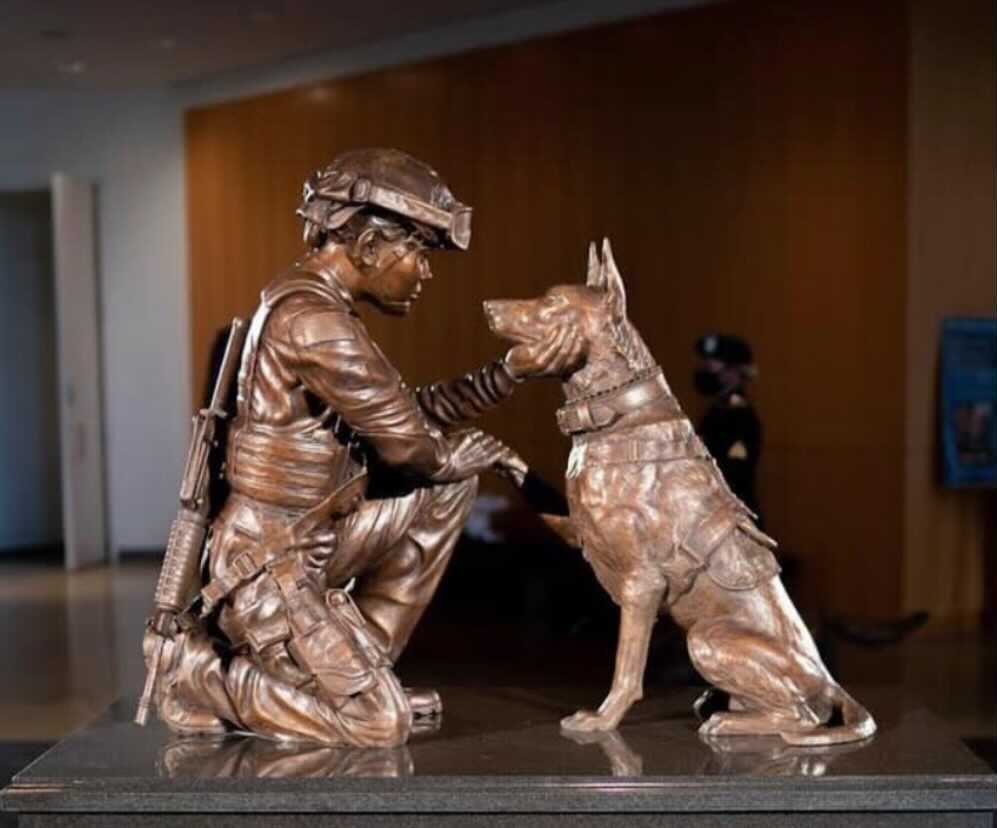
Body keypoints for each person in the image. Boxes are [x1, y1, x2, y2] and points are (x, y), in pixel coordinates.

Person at [144, 149, 581, 746]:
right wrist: (468, 454)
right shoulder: (314, 323)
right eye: (419, 252)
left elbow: (407, 419)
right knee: (376, 723)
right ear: (371, 247)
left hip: (312, 539)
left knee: (449, 488)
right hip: (271, 563)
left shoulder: (316, 307)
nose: (424, 272)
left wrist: (508, 373)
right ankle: (198, 676)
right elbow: (414, 452)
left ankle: (359, 665)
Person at [693, 333, 763, 523]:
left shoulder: (738, 415)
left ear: (734, 372)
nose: (706, 372)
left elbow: (732, 472)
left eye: (713, 368)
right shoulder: (717, 411)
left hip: (733, 520)